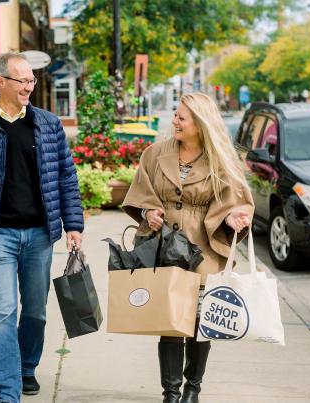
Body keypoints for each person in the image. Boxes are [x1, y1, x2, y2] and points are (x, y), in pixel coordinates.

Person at [0, 52, 83, 403]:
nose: (29, 86)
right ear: (1, 82)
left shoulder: (49, 124)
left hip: (40, 235)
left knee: (36, 310)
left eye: (31, 80)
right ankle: (7, 390)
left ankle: (26, 367)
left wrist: (74, 224)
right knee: (4, 312)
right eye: (22, 80)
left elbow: (66, 177)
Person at [122, 92, 254, 403]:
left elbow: (237, 203)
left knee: (198, 324)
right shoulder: (155, 154)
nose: (175, 121)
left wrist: (234, 217)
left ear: (200, 123)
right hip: (165, 248)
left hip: (204, 251)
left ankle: (192, 389)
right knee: (169, 323)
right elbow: (141, 193)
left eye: (182, 117)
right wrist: (148, 212)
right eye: (176, 115)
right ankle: (171, 393)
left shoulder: (223, 159)